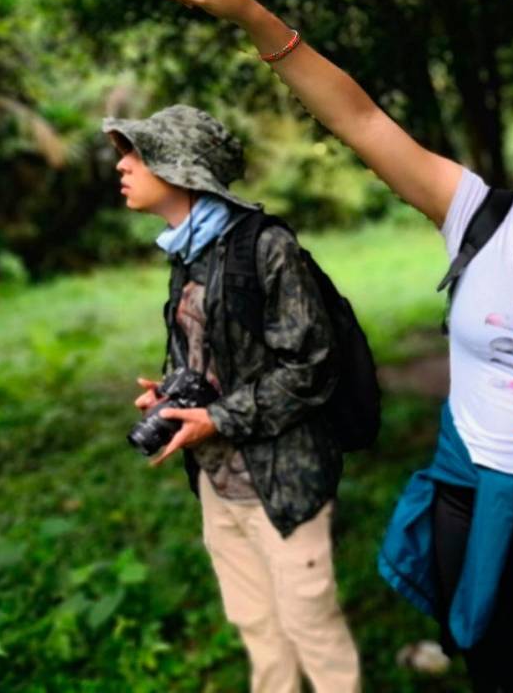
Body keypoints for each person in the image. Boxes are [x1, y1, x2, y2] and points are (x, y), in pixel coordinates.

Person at [143, 0, 513, 691]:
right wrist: (249, 14)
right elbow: (358, 118)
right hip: (467, 492)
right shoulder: (479, 214)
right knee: (492, 665)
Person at [107, 104, 360, 693]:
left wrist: (216, 418)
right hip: (219, 483)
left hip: (281, 483)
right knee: (257, 629)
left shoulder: (266, 247)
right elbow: (209, 353)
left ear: (181, 169)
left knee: (312, 632)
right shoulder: (187, 252)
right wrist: (171, 391)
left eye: (136, 154)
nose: (122, 165)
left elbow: (312, 366)